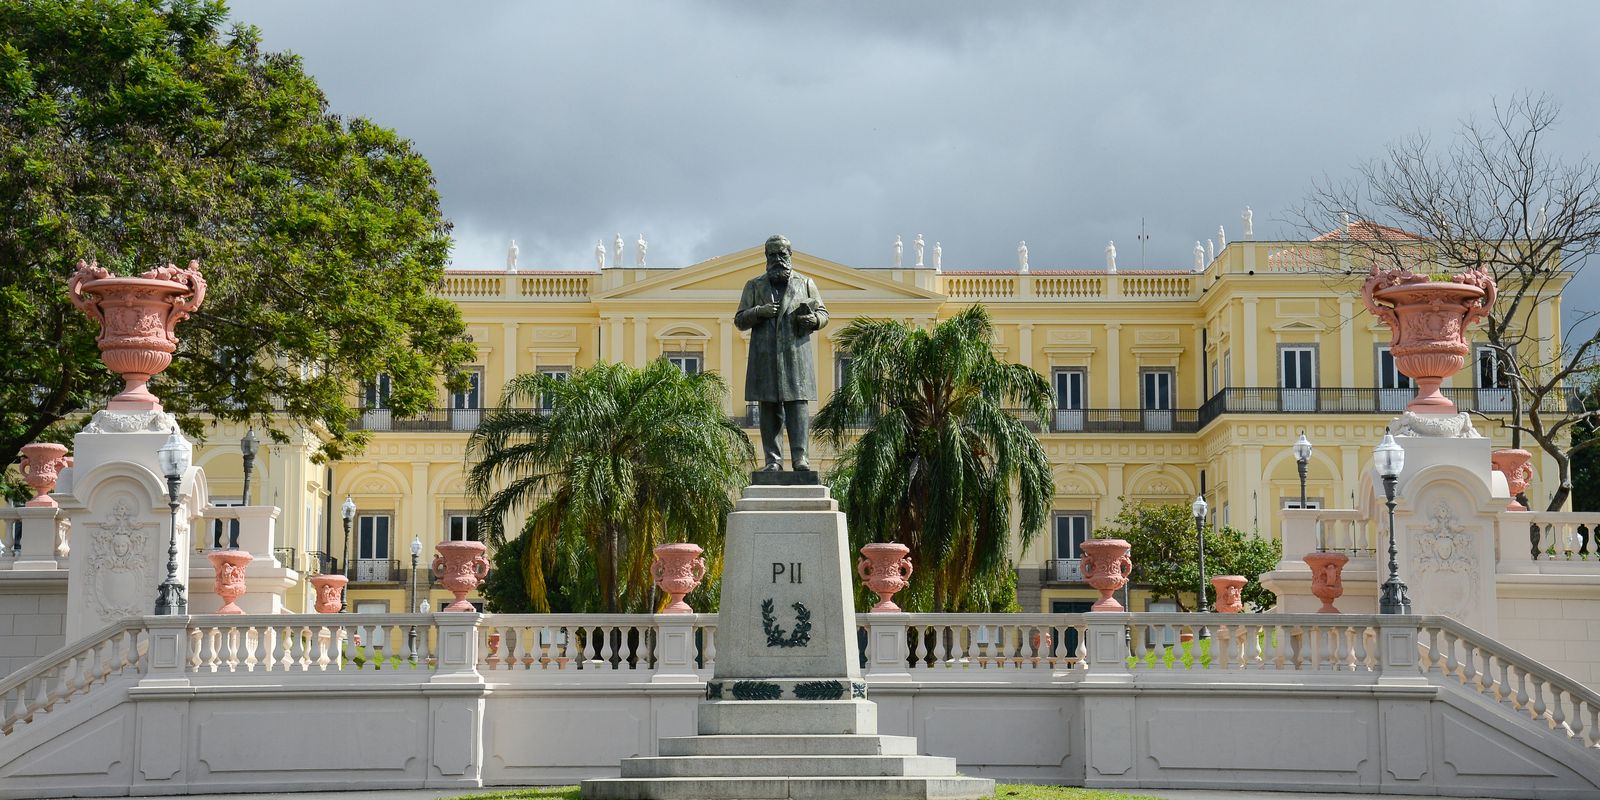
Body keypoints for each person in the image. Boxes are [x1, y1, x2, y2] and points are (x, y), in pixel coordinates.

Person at [734, 235, 828, 472]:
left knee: (798, 407)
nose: (777, 259)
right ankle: (773, 461)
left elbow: (824, 314)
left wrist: (814, 319)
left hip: (795, 356)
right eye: (772, 255)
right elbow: (739, 320)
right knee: (768, 408)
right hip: (764, 358)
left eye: (781, 254)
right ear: (766, 257)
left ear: (790, 255)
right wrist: (759, 311)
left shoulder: (806, 283)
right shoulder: (754, 286)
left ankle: (800, 459)